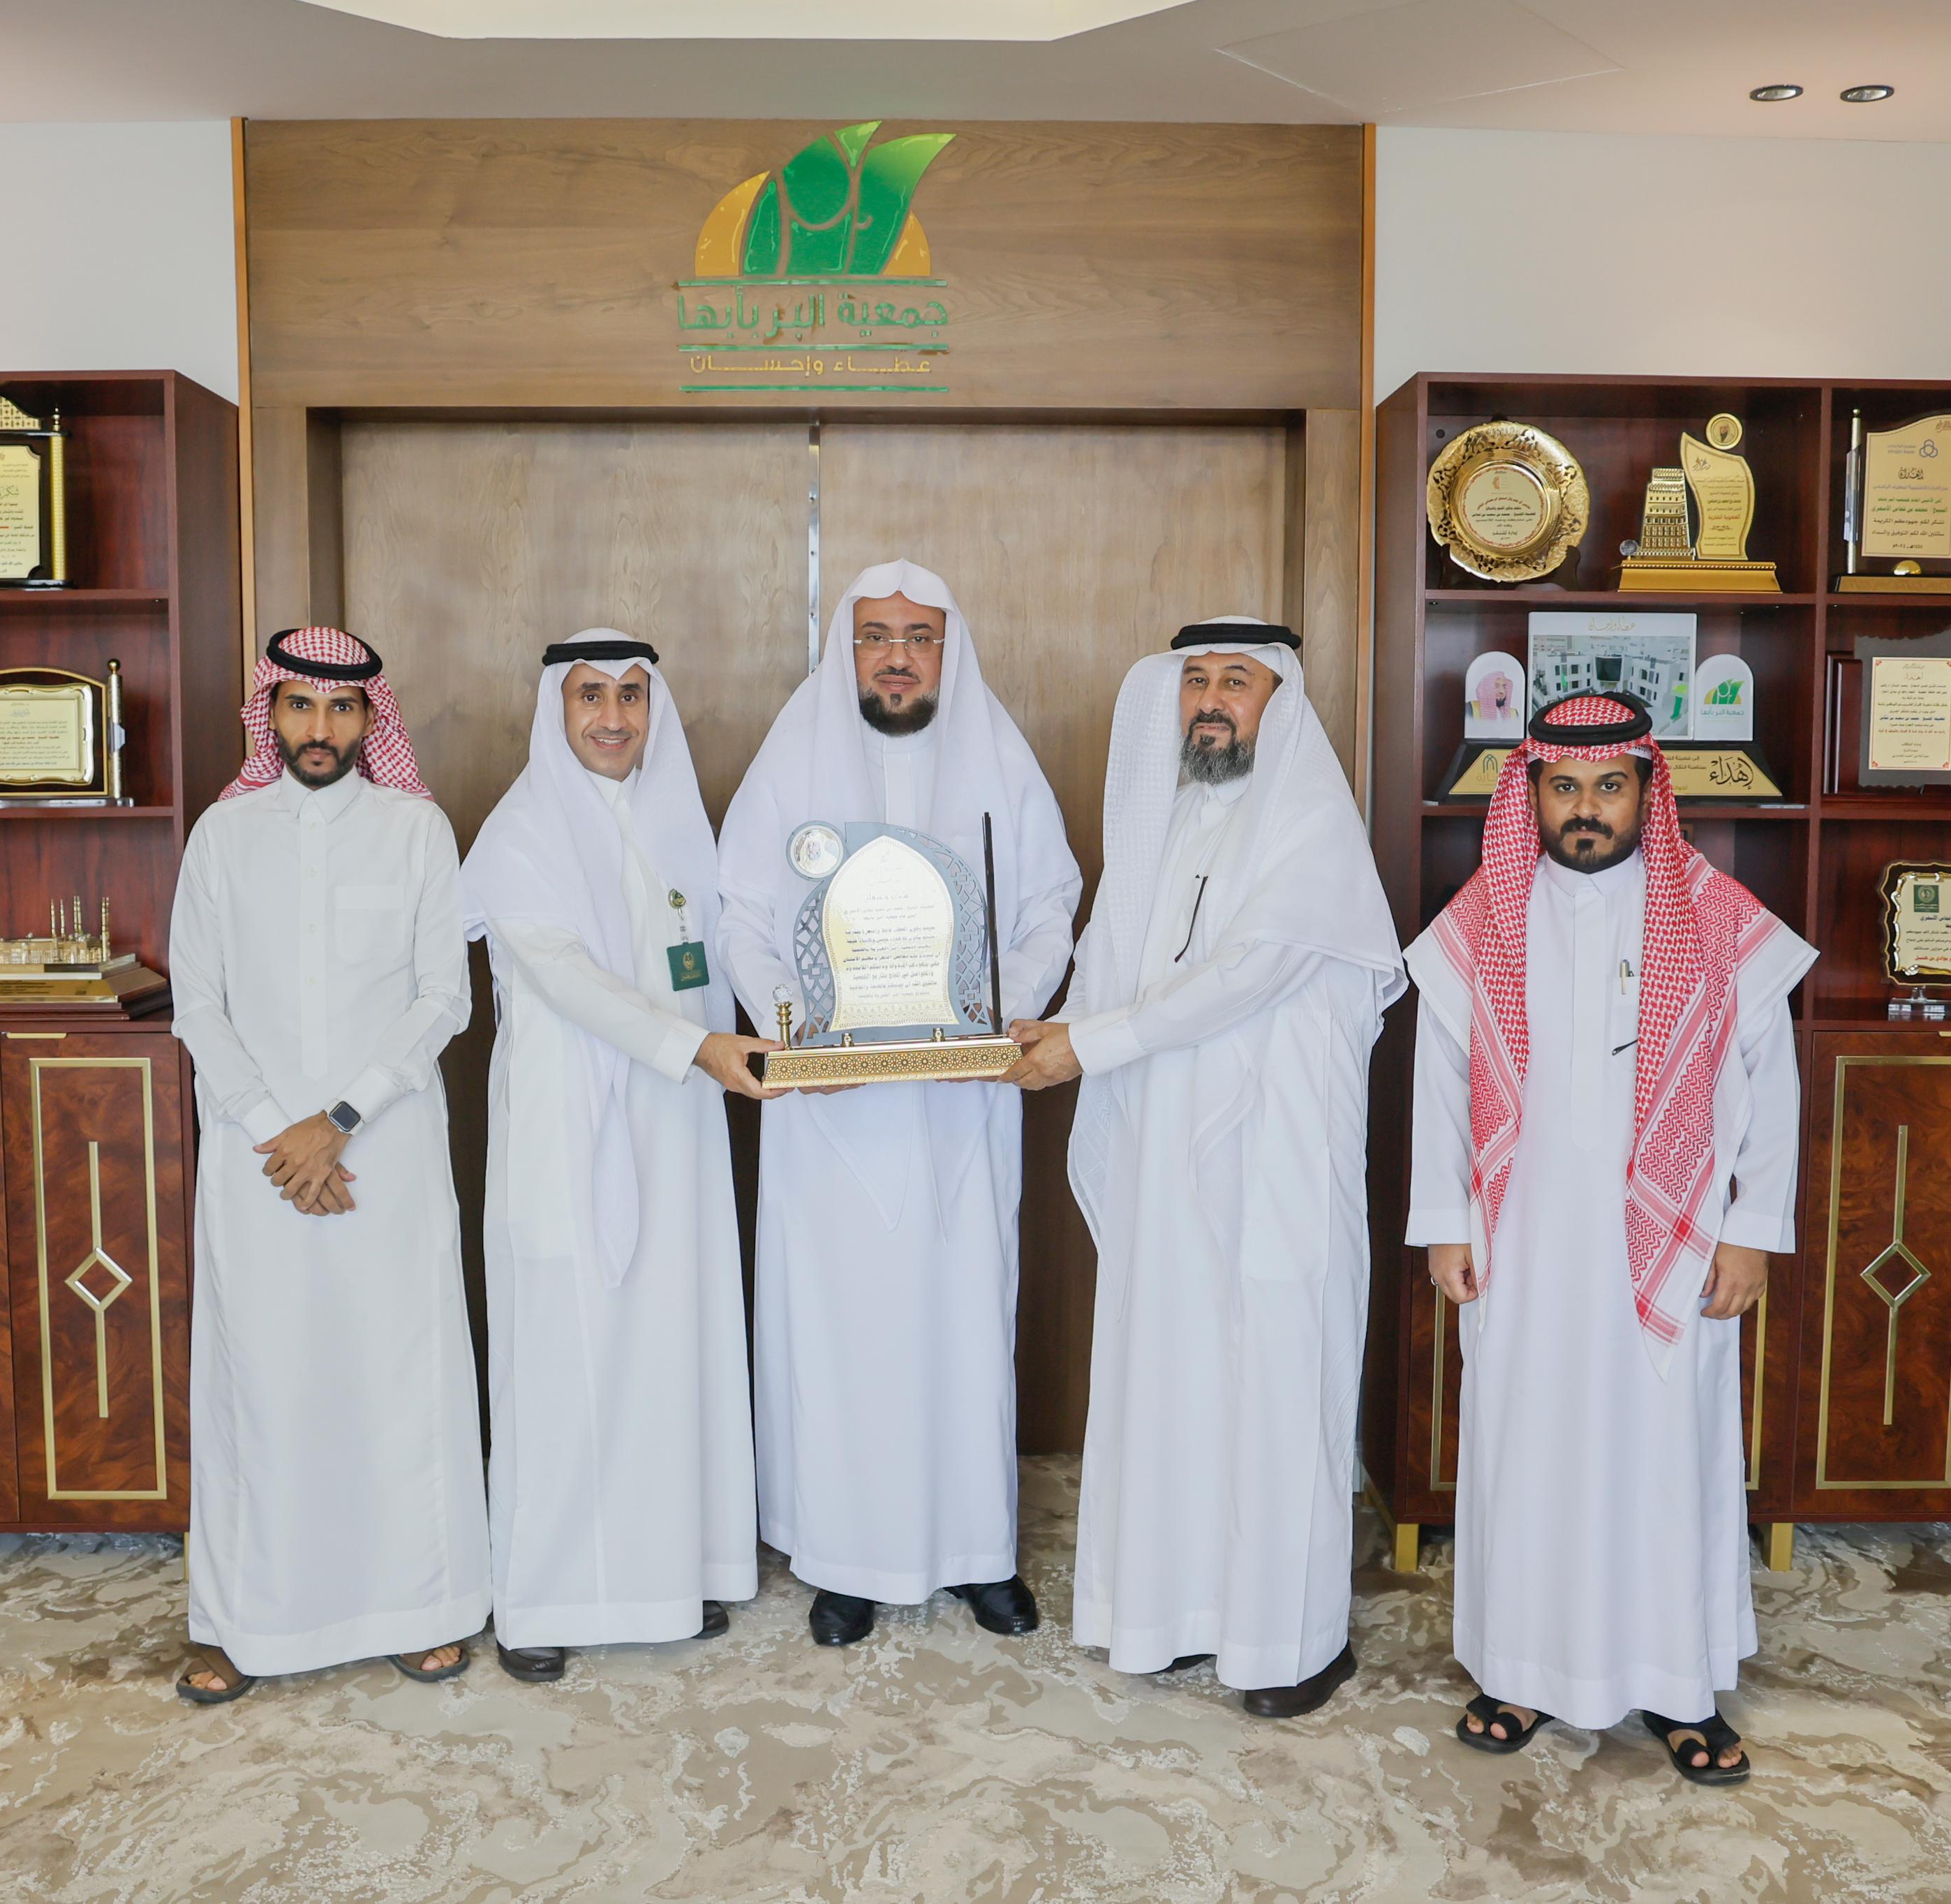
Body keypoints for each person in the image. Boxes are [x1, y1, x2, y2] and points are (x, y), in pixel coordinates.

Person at [1407, 692, 1813, 1783]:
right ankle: (1520, 1670)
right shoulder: (1483, 917)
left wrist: (1752, 1231)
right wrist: (1443, 1223)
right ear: (1532, 792)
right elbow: (1440, 1076)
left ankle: (1679, 1685)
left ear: (1646, 791)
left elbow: (1772, 1084)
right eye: (1564, 786)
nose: (1585, 807)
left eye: (1609, 786)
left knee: (1665, 1460)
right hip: (1522, 1240)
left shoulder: (1717, 916)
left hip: (1677, 1244)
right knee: (1525, 1449)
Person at [1004, 618, 1402, 1718]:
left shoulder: (1310, 820)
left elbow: (1247, 973)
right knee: (1171, 1373)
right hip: (1167, 1160)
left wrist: (1088, 1045)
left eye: (1238, 679)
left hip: (1274, 1162)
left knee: (1276, 1380)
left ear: (1281, 702)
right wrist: (1059, 1029)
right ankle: (1173, 1613)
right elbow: (1112, 952)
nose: (1213, 699)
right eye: (1195, 680)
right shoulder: (1167, 819)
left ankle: (1291, 1641)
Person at [715, 560, 1082, 1647]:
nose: (897, 657)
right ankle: (846, 1562)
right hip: (835, 1111)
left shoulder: (1000, 760)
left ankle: (978, 1553)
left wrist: (996, 1015)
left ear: (946, 650)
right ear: (850, 648)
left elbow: (1052, 901)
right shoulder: (793, 757)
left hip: (961, 1102)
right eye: (877, 636)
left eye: (919, 637)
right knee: (846, 1329)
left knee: (964, 1323)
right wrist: (795, 1022)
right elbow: (741, 913)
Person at [167, 625, 487, 1704]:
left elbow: (444, 996)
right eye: (300, 705)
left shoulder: (416, 830)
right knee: (260, 1381)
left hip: (382, 1151)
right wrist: (279, 1128)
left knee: (393, 1375)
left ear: (369, 719)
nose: (320, 727)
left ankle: (418, 1608)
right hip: (256, 1159)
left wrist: (339, 1120)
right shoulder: (223, 835)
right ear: (270, 713)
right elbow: (198, 1003)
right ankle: (240, 1619)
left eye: (342, 708)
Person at [460, 630, 769, 1683]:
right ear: (558, 708)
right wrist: (700, 1048)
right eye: (590, 696)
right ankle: (542, 1599)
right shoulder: (522, 830)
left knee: (668, 1343)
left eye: (632, 697)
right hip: (570, 1127)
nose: (612, 718)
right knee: (566, 1352)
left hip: (676, 1125)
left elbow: (716, 953)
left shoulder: (678, 822)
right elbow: (566, 978)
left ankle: (667, 1575)